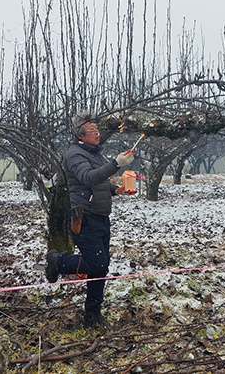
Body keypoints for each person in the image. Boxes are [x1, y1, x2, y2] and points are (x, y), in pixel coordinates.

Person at [45, 111, 136, 329]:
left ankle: (92, 315)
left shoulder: (95, 153)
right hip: (83, 217)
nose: (97, 133)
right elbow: (87, 177)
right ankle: (58, 262)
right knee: (98, 263)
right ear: (80, 135)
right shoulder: (74, 155)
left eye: (97, 129)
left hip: (101, 217)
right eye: (92, 130)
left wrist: (117, 190)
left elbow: (100, 183)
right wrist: (116, 163)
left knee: (100, 270)